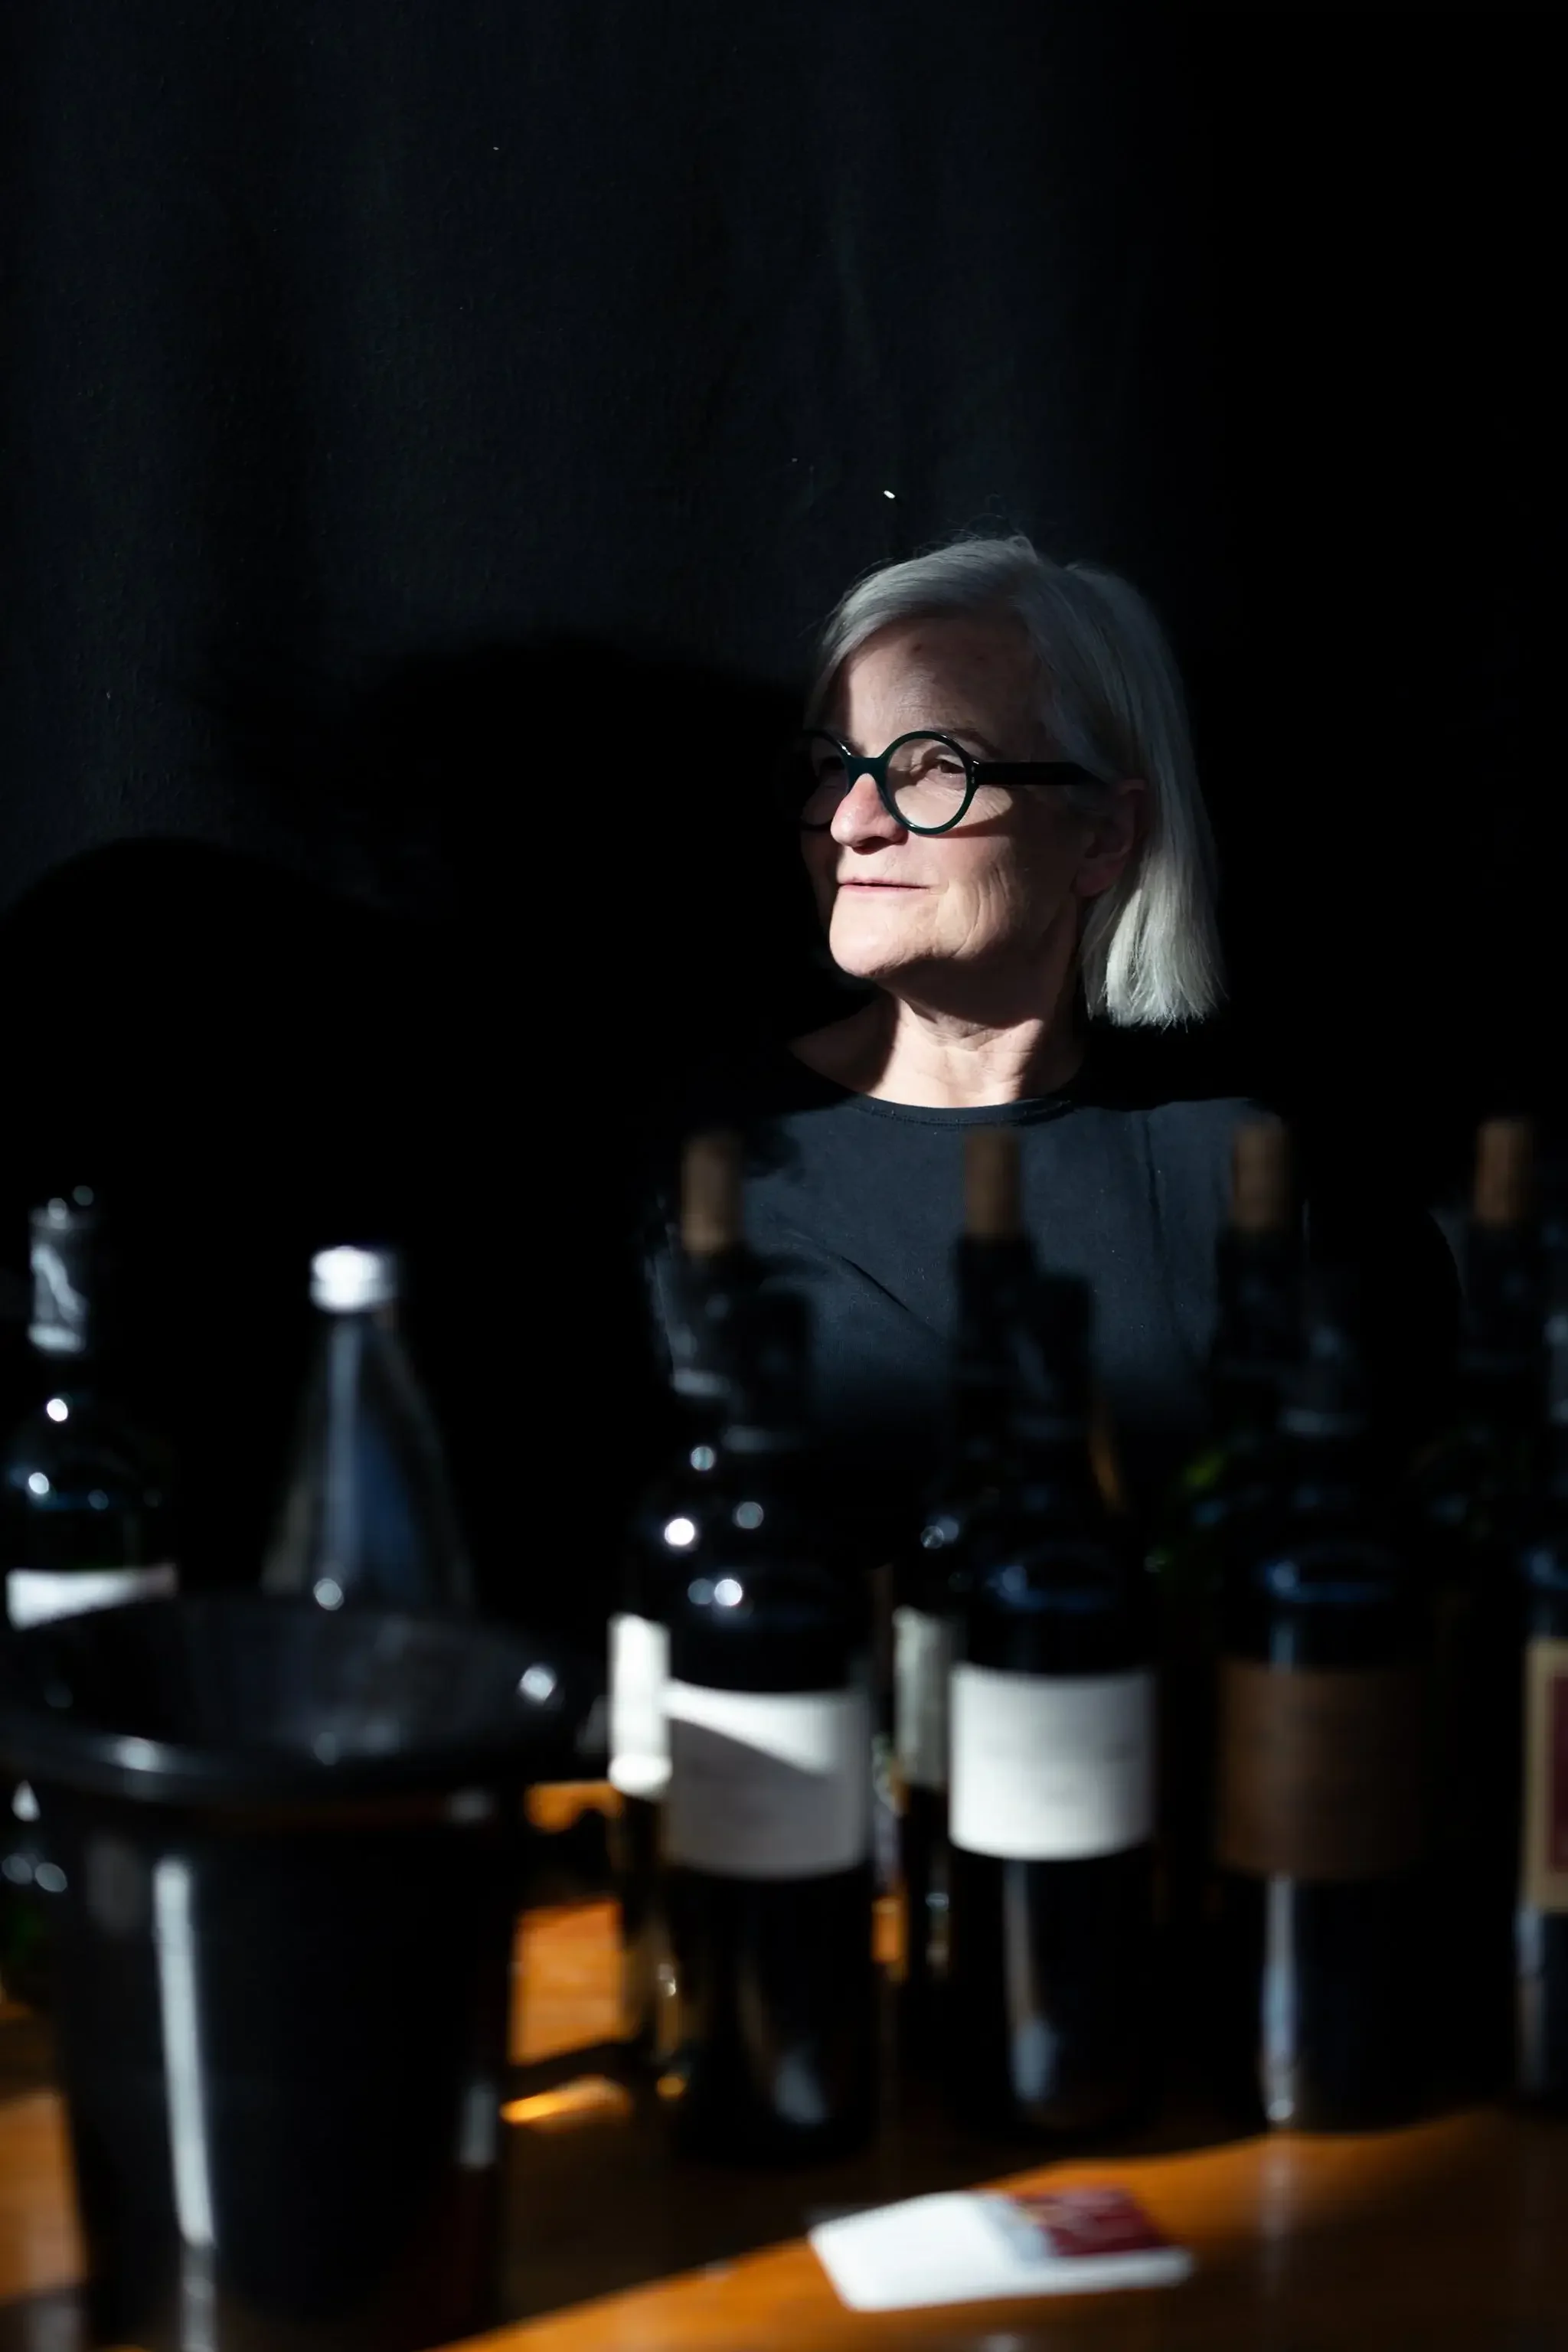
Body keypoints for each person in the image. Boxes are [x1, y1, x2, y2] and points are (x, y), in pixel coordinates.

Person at [645, 532, 1455, 1563]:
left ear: (1104, 837)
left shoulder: (1258, 1177)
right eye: (831, 765)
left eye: (930, 767)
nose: (848, 820)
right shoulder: (704, 1154)